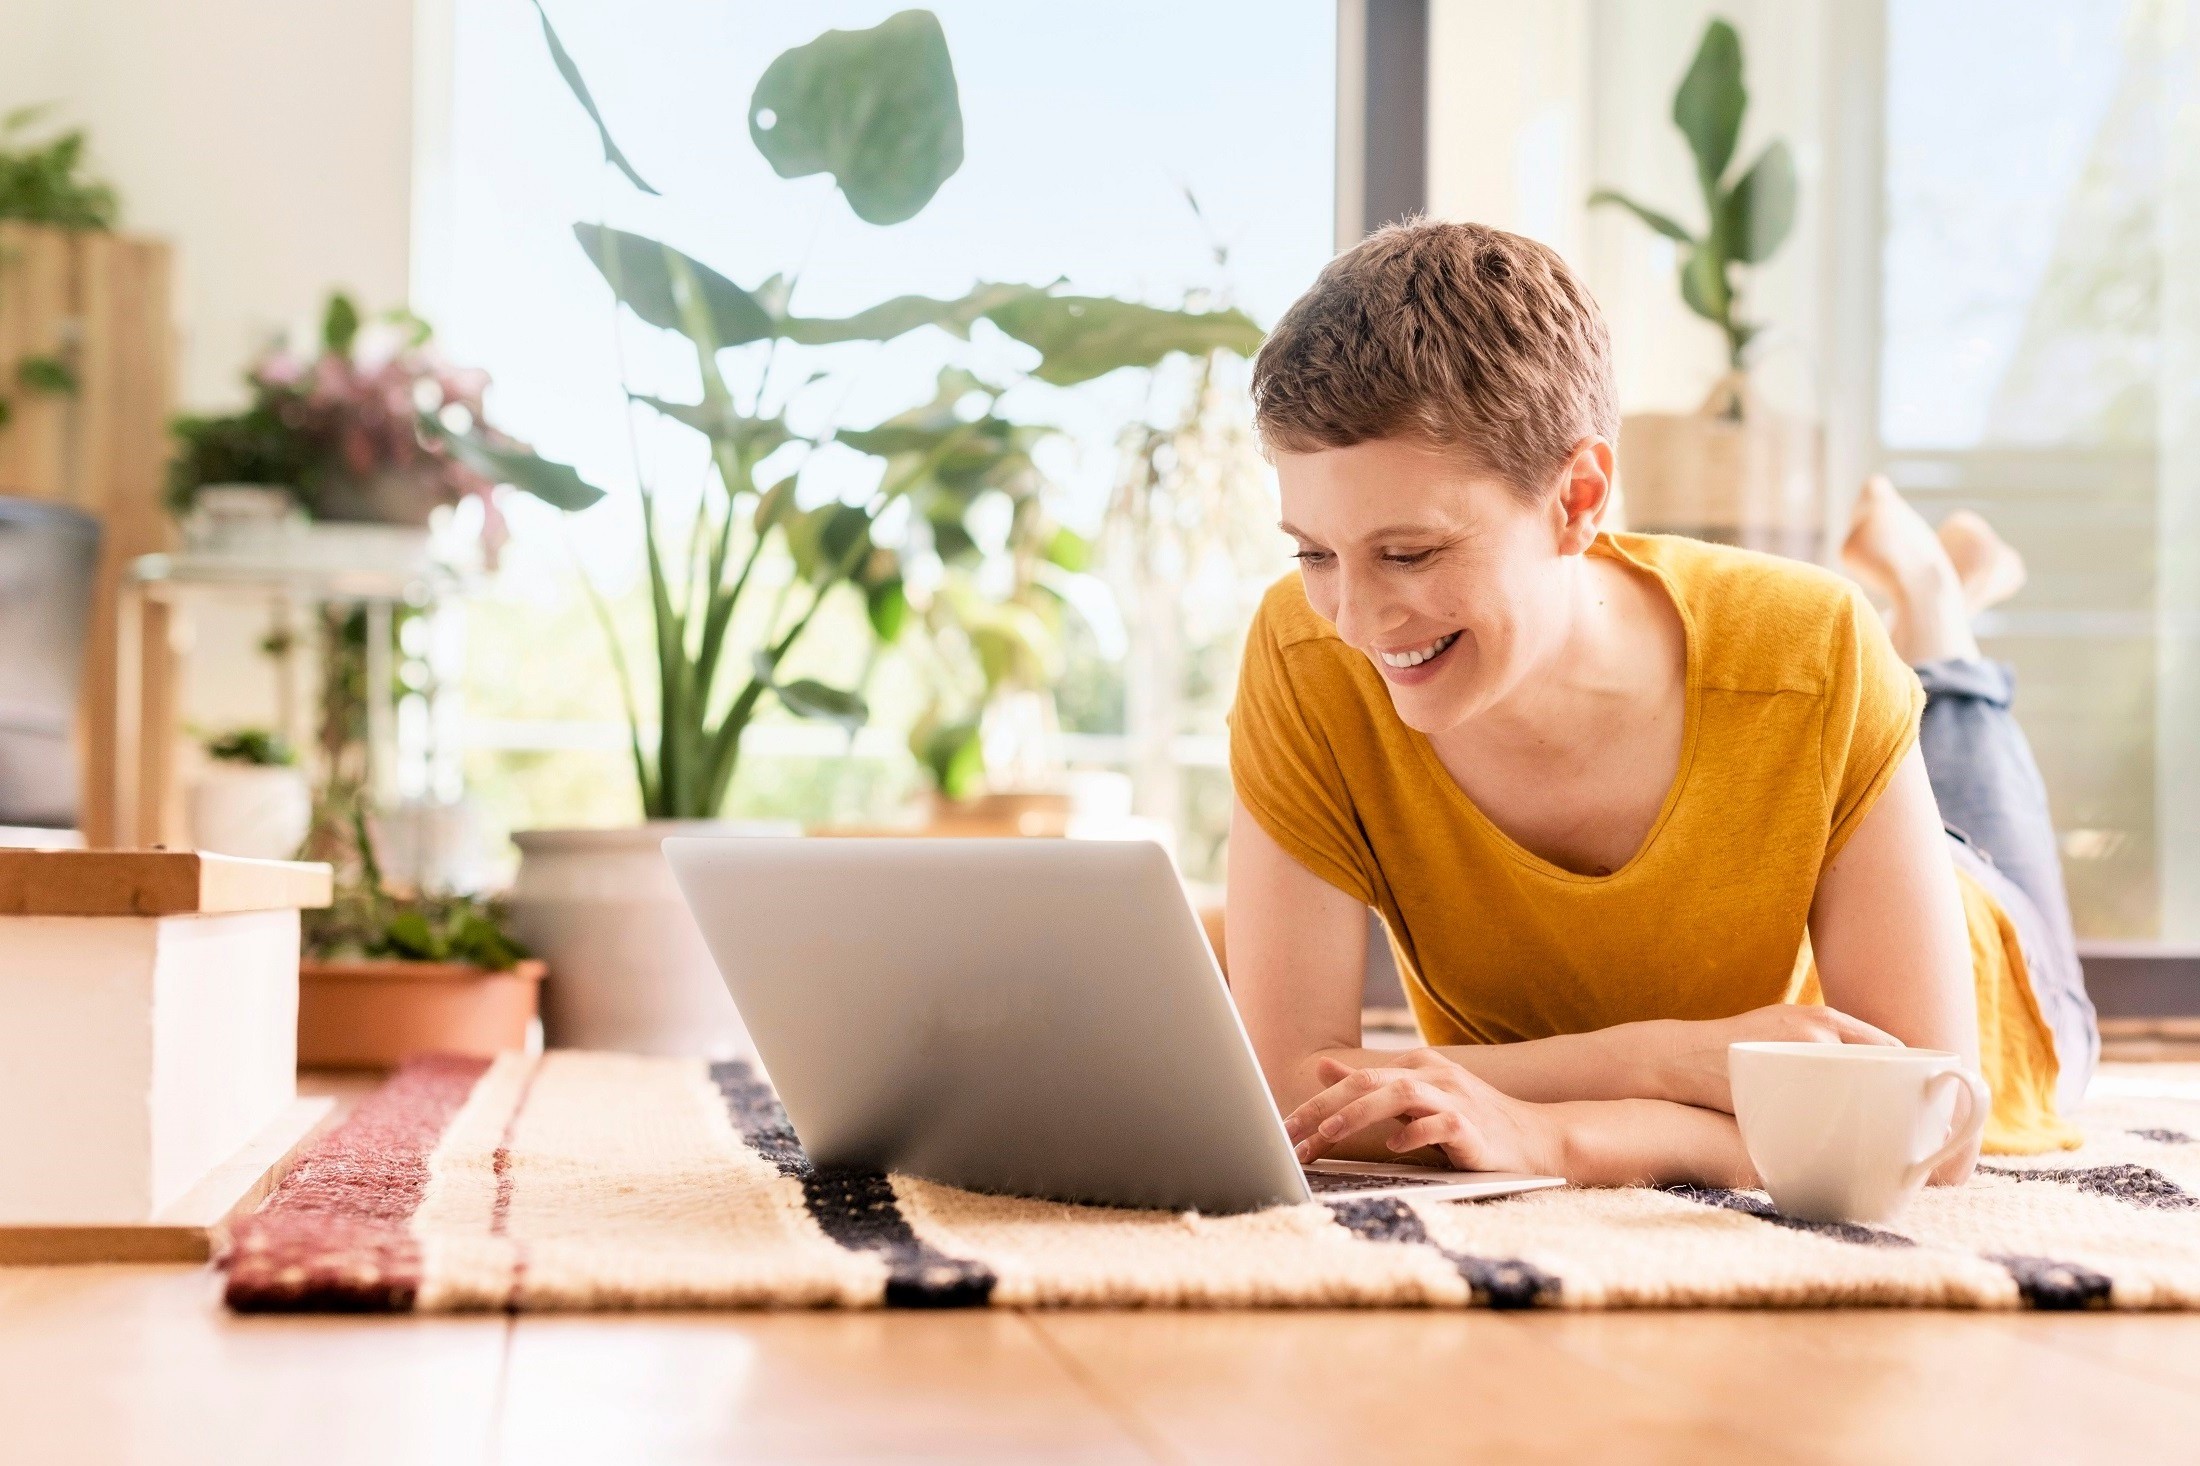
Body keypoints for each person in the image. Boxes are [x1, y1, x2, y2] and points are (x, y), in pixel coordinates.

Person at [1226, 219, 2096, 1188]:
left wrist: (1560, 1136)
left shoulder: (1813, 649)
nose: (1353, 617)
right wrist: (1663, 1059)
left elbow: (1922, 1127)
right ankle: (1933, 629)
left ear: (1577, 497)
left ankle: (1935, 609)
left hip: (2002, 976)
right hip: (1775, 949)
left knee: (1959, 746)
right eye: (1311, 551)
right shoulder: (1304, 654)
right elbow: (1285, 1094)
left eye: (1410, 553)